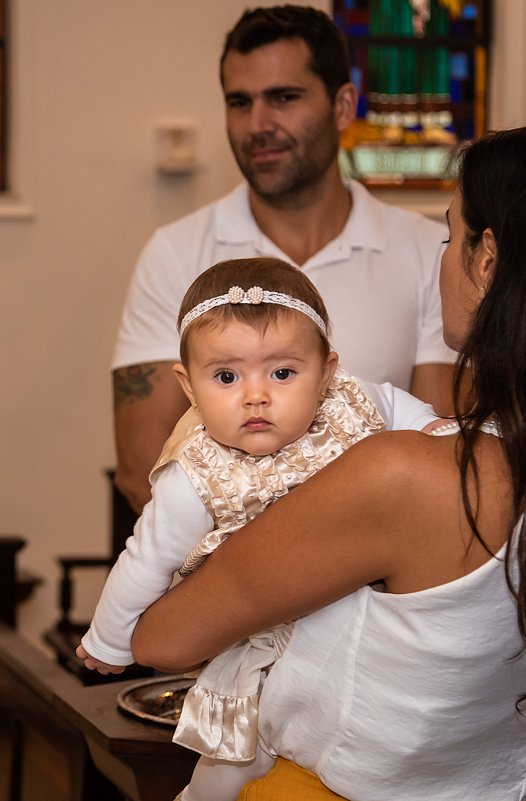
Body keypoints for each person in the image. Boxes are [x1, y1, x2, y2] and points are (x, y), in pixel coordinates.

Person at [131, 122, 526, 799]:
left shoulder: (413, 475)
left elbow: (163, 637)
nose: (443, 258)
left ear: (488, 260)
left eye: (450, 236)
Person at [79, 258, 437, 801]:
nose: (255, 396)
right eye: (226, 377)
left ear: (327, 371)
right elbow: (146, 558)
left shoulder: (351, 404)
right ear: (188, 385)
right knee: (229, 765)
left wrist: (441, 429)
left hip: (357, 628)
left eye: (283, 373)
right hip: (262, 648)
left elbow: (405, 411)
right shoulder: (196, 474)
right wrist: (108, 640)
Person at [113, 5, 456, 513]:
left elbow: (438, 450)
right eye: (239, 102)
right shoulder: (176, 252)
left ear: (343, 106)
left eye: (283, 98)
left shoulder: (427, 251)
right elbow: (141, 466)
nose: (257, 125)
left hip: (377, 567)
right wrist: (257, 582)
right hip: (219, 567)